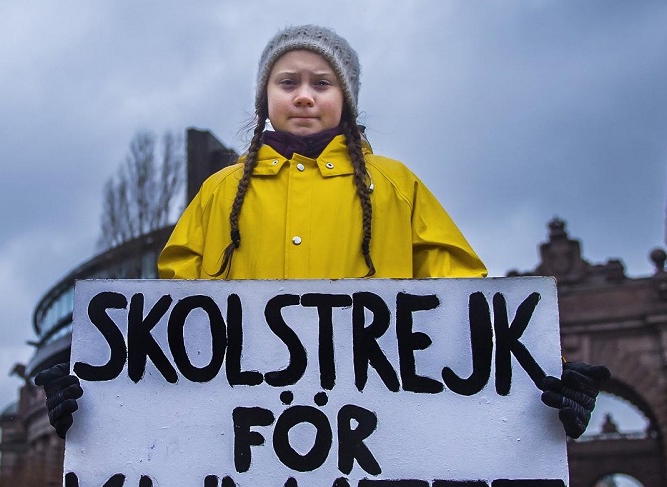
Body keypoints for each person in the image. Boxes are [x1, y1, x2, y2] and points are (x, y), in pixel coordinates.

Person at [36, 24, 608, 441]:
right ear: (266, 97)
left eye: (322, 82)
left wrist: (536, 380)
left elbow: (466, 304)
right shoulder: (216, 195)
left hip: (378, 438)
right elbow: (168, 322)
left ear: (346, 98)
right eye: (288, 81)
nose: (305, 95)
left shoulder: (398, 185)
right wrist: (104, 391)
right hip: (241, 441)